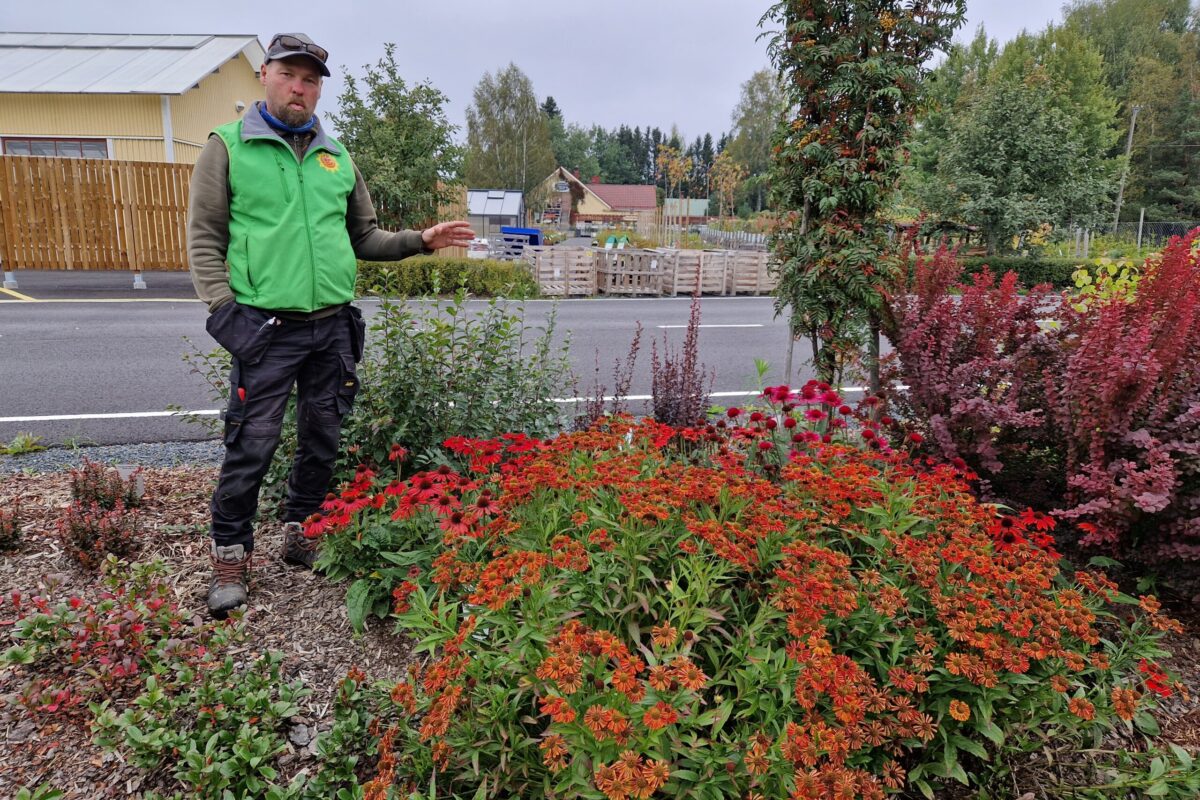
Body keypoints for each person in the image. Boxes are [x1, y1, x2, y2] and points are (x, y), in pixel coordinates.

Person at [187, 32, 473, 618]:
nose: (300, 88)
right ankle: (230, 556)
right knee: (252, 443)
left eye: (311, 79)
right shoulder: (229, 147)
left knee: (322, 436)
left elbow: (363, 238)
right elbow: (204, 239)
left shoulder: (336, 156)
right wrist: (222, 310)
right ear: (264, 75)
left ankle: (302, 531)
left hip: (332, 327)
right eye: (290, 75)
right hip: (264, 327)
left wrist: (420, 240)